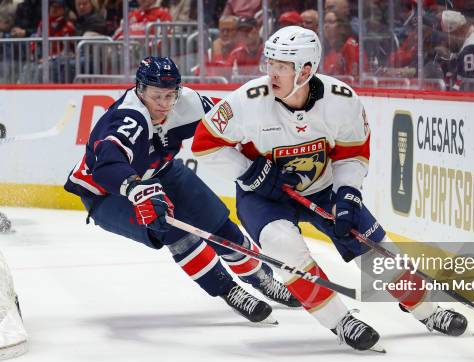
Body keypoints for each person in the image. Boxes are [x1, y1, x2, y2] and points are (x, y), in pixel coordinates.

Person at [192, 26, 468, 352]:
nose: (271, 73)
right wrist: (251, 172)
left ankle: (427, 310)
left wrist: (348, 192)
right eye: (270, 63)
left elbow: (352, 152)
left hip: (323, 189)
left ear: (306, 70)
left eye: (281, 66)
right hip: (263, 196)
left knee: (376, 248)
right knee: (284, 247)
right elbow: (205, 144)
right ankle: (341, 321)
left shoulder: (342, 100)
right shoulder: (247, 100)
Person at [64, 57, 300, 325]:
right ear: (140, 91)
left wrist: (260, 153)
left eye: (170, 95)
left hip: (162, 172)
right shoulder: (127, 118)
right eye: (156, 96)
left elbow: (232, 122)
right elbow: (106, 165)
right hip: (107, 193)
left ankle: (262, 279)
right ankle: (229, 290)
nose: (164, 104)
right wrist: (135, 189)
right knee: (170, 228)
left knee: (219, 224)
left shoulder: (188, 102)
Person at [439, 10, 474, 91]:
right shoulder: (473, 38)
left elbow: (469, 86)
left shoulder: (472, 46)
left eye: (448, 35)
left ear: (457, 30)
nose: (447, 41)